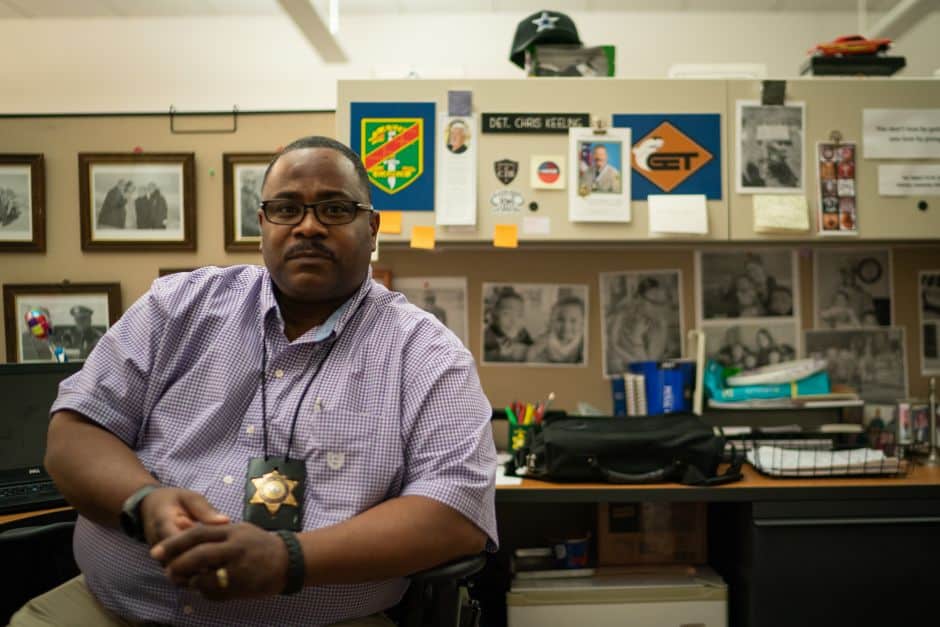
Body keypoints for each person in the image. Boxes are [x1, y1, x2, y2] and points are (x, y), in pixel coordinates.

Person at [17, 136, 496, 627]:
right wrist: (145, 501)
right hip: (110, 610)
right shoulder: (177, 306)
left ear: (371, 229)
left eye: (334, 209)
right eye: (286, 209)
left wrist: (289, 560)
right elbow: (75, 432)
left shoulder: (427, 355)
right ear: (263, 224)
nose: (308, 226)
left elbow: (456, 513)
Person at [605, 277, 672, 372]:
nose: (658, 309)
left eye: (662, 303)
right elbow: (612, 346)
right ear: (640, 299)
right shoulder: (621, 316)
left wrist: (637, 339)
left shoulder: (660, 324)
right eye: (654, 302)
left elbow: (648, 367)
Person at [526, 296, 585, 364]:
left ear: (582, 323)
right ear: (552, 321)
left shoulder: (582, 344)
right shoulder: (545, 339)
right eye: (560, 320)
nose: (566, 326)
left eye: (573, 321)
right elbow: (530, 357)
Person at [483, 288, 532, 362]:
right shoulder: (488, 336)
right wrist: (498, 354)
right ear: (495, 316)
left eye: (519, 315)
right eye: (506, 314)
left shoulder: (523, 333)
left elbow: (531, 350)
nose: (513, 320)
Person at [241, 171, 262, 237]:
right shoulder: (241, 196)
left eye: (253, 182)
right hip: (247, 232)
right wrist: (259, 229)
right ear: (244, 182)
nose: (251, 184)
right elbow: (244, 220)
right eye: (248, 181)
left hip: (257, 229)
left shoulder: (255, 195)